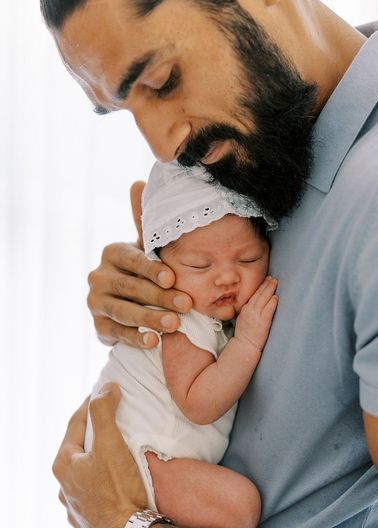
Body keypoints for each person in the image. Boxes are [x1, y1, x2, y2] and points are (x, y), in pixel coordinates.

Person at [39, 0, 378, 526]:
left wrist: (127, 519)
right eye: (125, 109)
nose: (162, 147)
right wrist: (135, 302)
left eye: (165, 80)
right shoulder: (261, 137)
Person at [84, 160, 279, 528]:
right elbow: (199, 403)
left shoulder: (205, 305)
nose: (226, 277)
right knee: (239, 507)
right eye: (200, 265)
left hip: (157, 451)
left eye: (248, 258)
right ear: (161, 270)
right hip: (138, 455)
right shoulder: (178, 318)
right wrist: (249, 341)